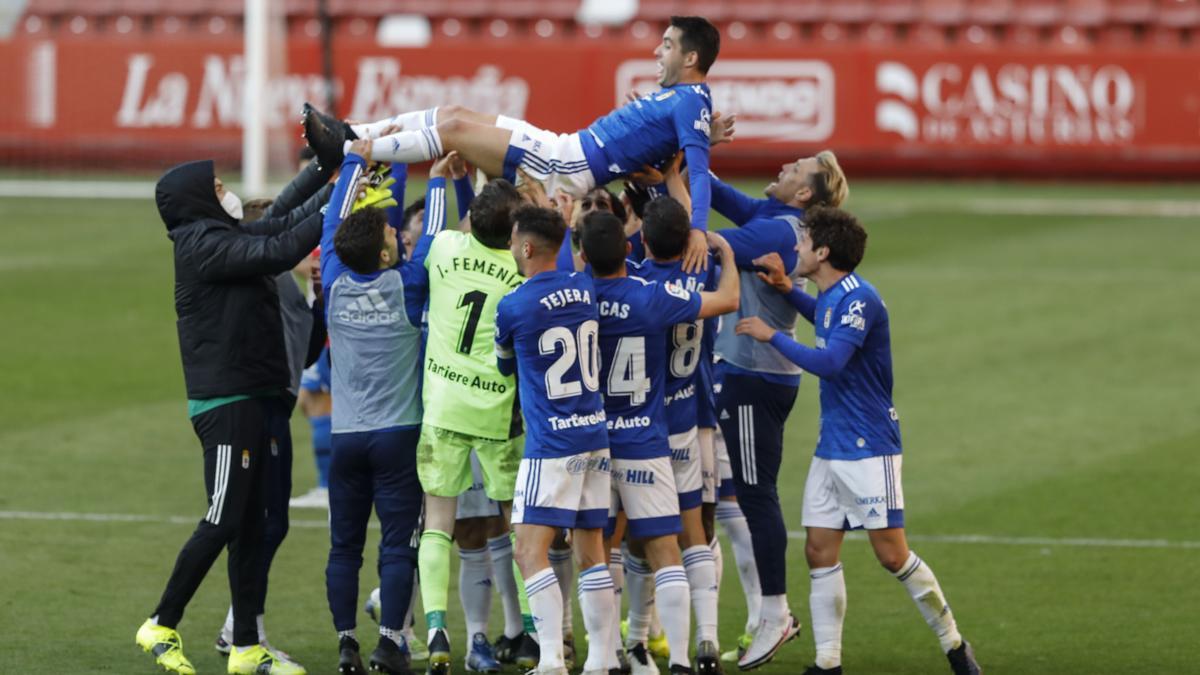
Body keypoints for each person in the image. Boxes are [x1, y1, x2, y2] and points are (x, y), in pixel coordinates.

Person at [734, 207, 982, 675]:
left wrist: (772, 335)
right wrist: (789, 291)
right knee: (818, 550)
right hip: (833, 446)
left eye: (803, 243)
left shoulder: (858, 299)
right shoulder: (831, 296)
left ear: (823, 252)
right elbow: (824, 319)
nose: (796, 249)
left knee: (892, 555)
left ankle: (954, 644)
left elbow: (831, 362)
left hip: (870, 447)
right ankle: (828, 663)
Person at [302, 16, 728, 272]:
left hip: (562, 165)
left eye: (668, 45)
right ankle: (352, 134)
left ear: (690, 58)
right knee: (452, 114)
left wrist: (698, 231)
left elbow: (699, 169)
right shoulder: (682, 100)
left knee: (452, 131)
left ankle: (345, 149)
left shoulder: (692, 101)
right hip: (562, 151)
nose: (658, 50)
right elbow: (674, 145)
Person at [136, 160, 325, 675]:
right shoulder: (202, 245)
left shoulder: (222, 234)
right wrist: (340, 195)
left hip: (258, 398)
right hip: (227, 403)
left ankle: (245, 648)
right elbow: (283, 246)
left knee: (254, 526)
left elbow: (284, 217)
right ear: (199, 201)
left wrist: (328, 170)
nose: (229, 191)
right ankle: (160, 622)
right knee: (223, 518)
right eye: (217, 187)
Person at [576, 209, 739, 675]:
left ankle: (603, 659)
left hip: (595, 444)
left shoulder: (575, 296)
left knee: (598, 550)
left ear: (583, 255)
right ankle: (684, 661)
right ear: (628, 249)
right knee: (667, 548)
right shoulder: (652, 296)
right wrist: (722, 252)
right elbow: (727, 299)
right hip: (649, 440)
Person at [705, 152, 849, 671]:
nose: (786, 164)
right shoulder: (776, 219)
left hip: (753, 376)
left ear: (804, 194)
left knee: (755, 495)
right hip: (757, 374)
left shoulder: (782, 233)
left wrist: (670, 217)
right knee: (752, 493)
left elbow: (712, 243)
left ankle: (774, 614)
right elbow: (720, 196)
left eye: (797, 168)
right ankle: (770, 612)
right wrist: (677, 165)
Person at [318, 140, 448, 674]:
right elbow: (435, 239)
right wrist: (435, 177)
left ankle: (346, 642)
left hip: (344, 434)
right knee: (398, 545)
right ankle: (391, 642)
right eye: (393, 232)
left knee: (343, 546)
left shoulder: (331, 279)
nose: (399, 231)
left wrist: (359, 157)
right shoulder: (408, 284)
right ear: (388, 253)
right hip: (398, 435)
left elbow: (334, 222)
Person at [495, 205, 616, 675]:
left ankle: (550, 661)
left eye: (512, 239)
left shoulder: (514, 305)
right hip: (594, 434)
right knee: (592, 552)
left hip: (551, 444)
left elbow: (505, 365)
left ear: (526, 248)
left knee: (528, 548)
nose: (509, 245)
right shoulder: (584, 287)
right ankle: (602, 662)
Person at [415, 175, 527, 674]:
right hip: (497, 413)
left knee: (438, 524)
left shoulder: (442, 249)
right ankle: (529, 632)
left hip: (442, 406)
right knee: (517, 520)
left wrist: (444, 178)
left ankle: (438, 630)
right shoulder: (521, 272)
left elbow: (449, 228)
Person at [628, 197, 724, 672]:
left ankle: (633, 640)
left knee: (633, 534)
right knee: (694, 533)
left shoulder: (634, 283)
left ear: (643, 240)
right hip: (688, 419)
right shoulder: (704, 274)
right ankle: (707, 641)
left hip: (642, 427)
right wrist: (714, 240)